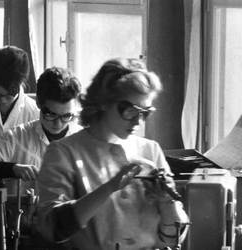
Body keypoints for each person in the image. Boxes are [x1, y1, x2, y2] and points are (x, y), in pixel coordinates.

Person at [37, 58, 189, 250]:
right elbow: (51, 228)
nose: (138, 122)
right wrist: (109, 187)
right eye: (130, 111)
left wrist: (166, 200)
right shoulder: (64, 152)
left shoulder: (150, 150)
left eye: (144, 112)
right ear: (104, 103)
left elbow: (173, 239)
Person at [0, 67, 83, 193]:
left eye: (66, 116)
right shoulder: (17, 138)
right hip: (25, 212)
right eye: (51, 115)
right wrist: (13, 169)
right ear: (38, 103)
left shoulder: (84, 141)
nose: (58, 123)